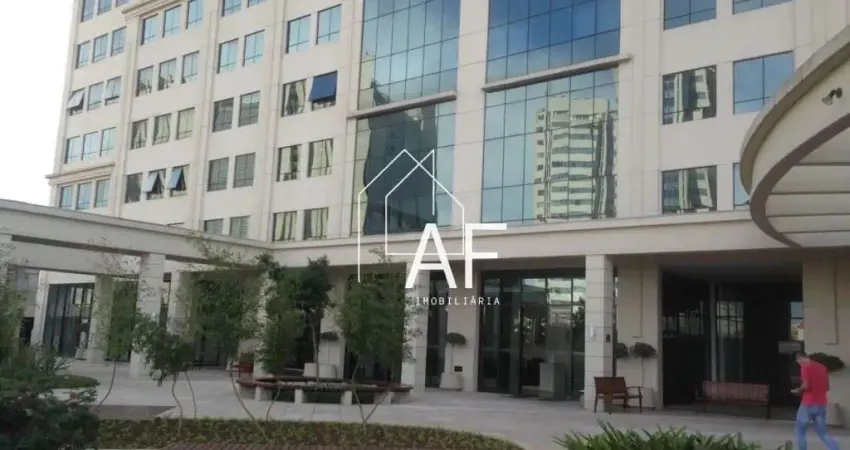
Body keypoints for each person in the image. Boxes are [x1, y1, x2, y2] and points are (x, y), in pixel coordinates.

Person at [792, 351, 840, 450]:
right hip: (821, 404)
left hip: (808, 404)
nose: (799, 364)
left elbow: (805, 386)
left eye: (798, 362)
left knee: (800, 432)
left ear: (799, 359)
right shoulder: (822, 367)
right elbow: (827, 387)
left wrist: (798, 391)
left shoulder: (805, 367)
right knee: (823, 433)